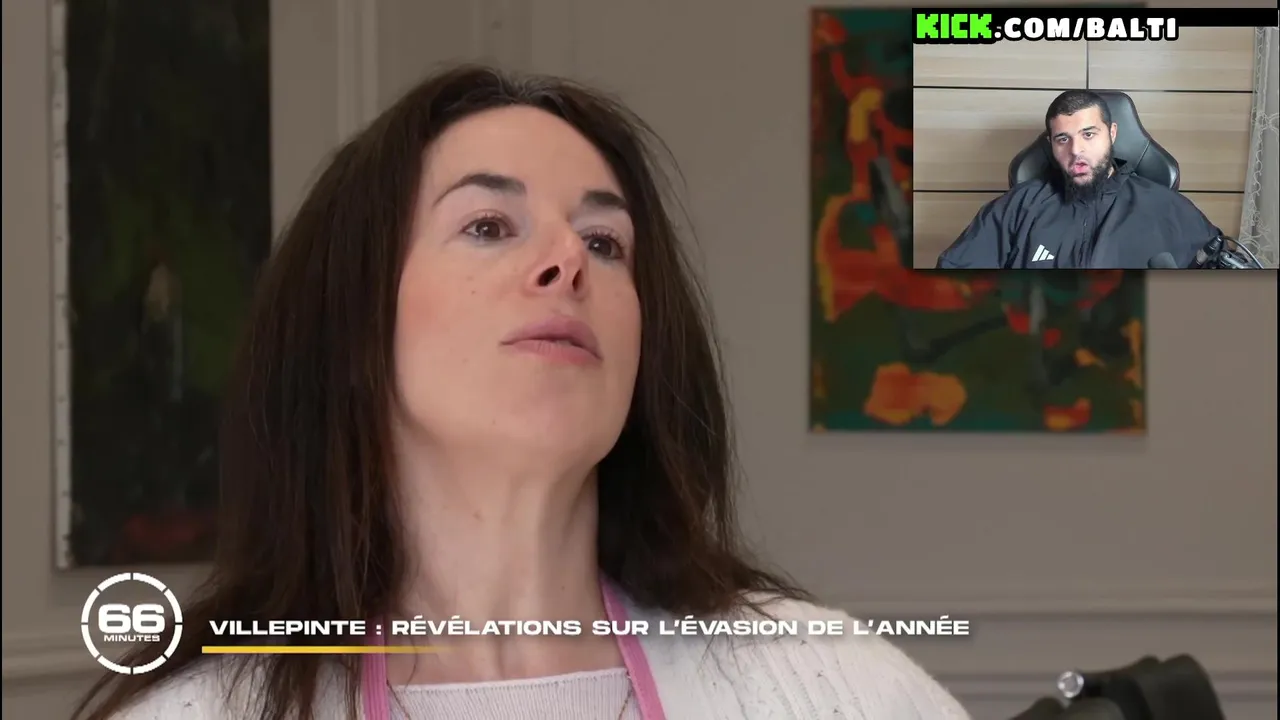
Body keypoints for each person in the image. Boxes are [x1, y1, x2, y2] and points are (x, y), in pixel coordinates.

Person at [71, 65, 970, 720]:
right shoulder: (197, 712)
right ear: (351, 329)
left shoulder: (838, 689)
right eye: (488, 225)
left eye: (606, 243)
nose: (567, 259)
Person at [934, 89, 1222, 270]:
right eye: (1063, 139)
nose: (1076, 150)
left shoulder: (1168, 207)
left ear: (1112, 134)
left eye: (1088, 134)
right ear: (1051, 144)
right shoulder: (1015, 208)